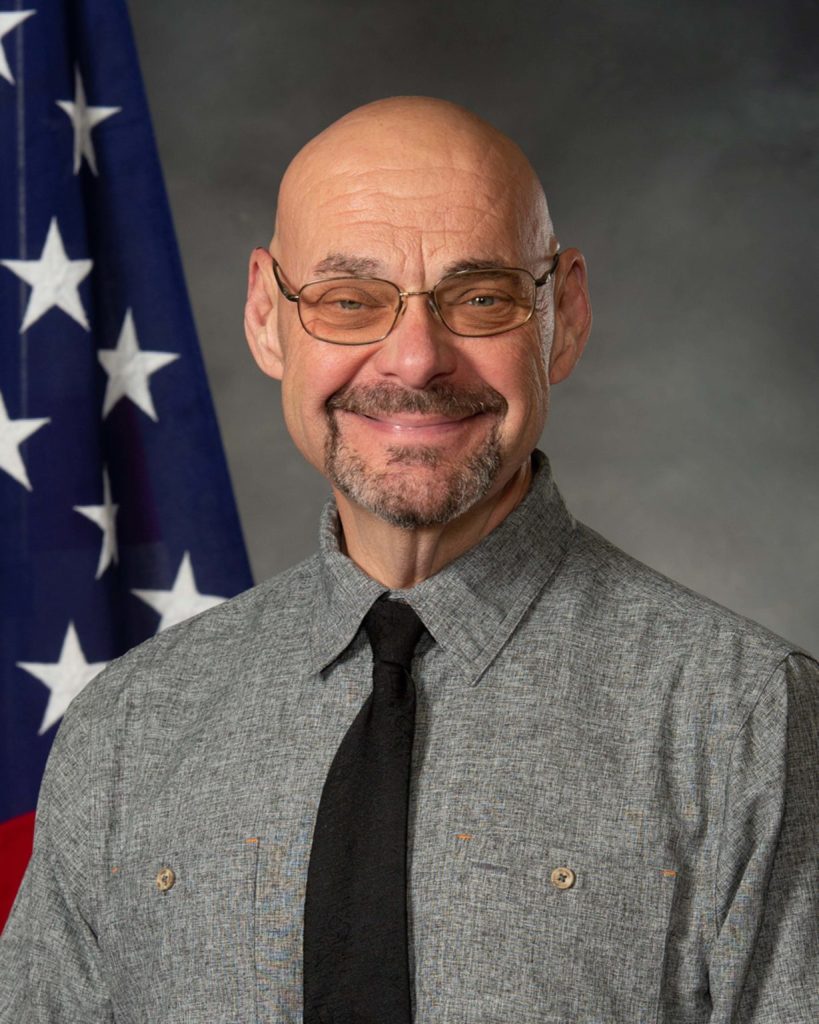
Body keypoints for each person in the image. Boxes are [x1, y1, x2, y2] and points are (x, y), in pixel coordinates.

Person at [1, 96, 816, 1023]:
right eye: (349, 301)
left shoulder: (747, 721)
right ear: (269, 319)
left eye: (479, 297)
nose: (416, 359)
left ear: (566, 314)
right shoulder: (128, 728)